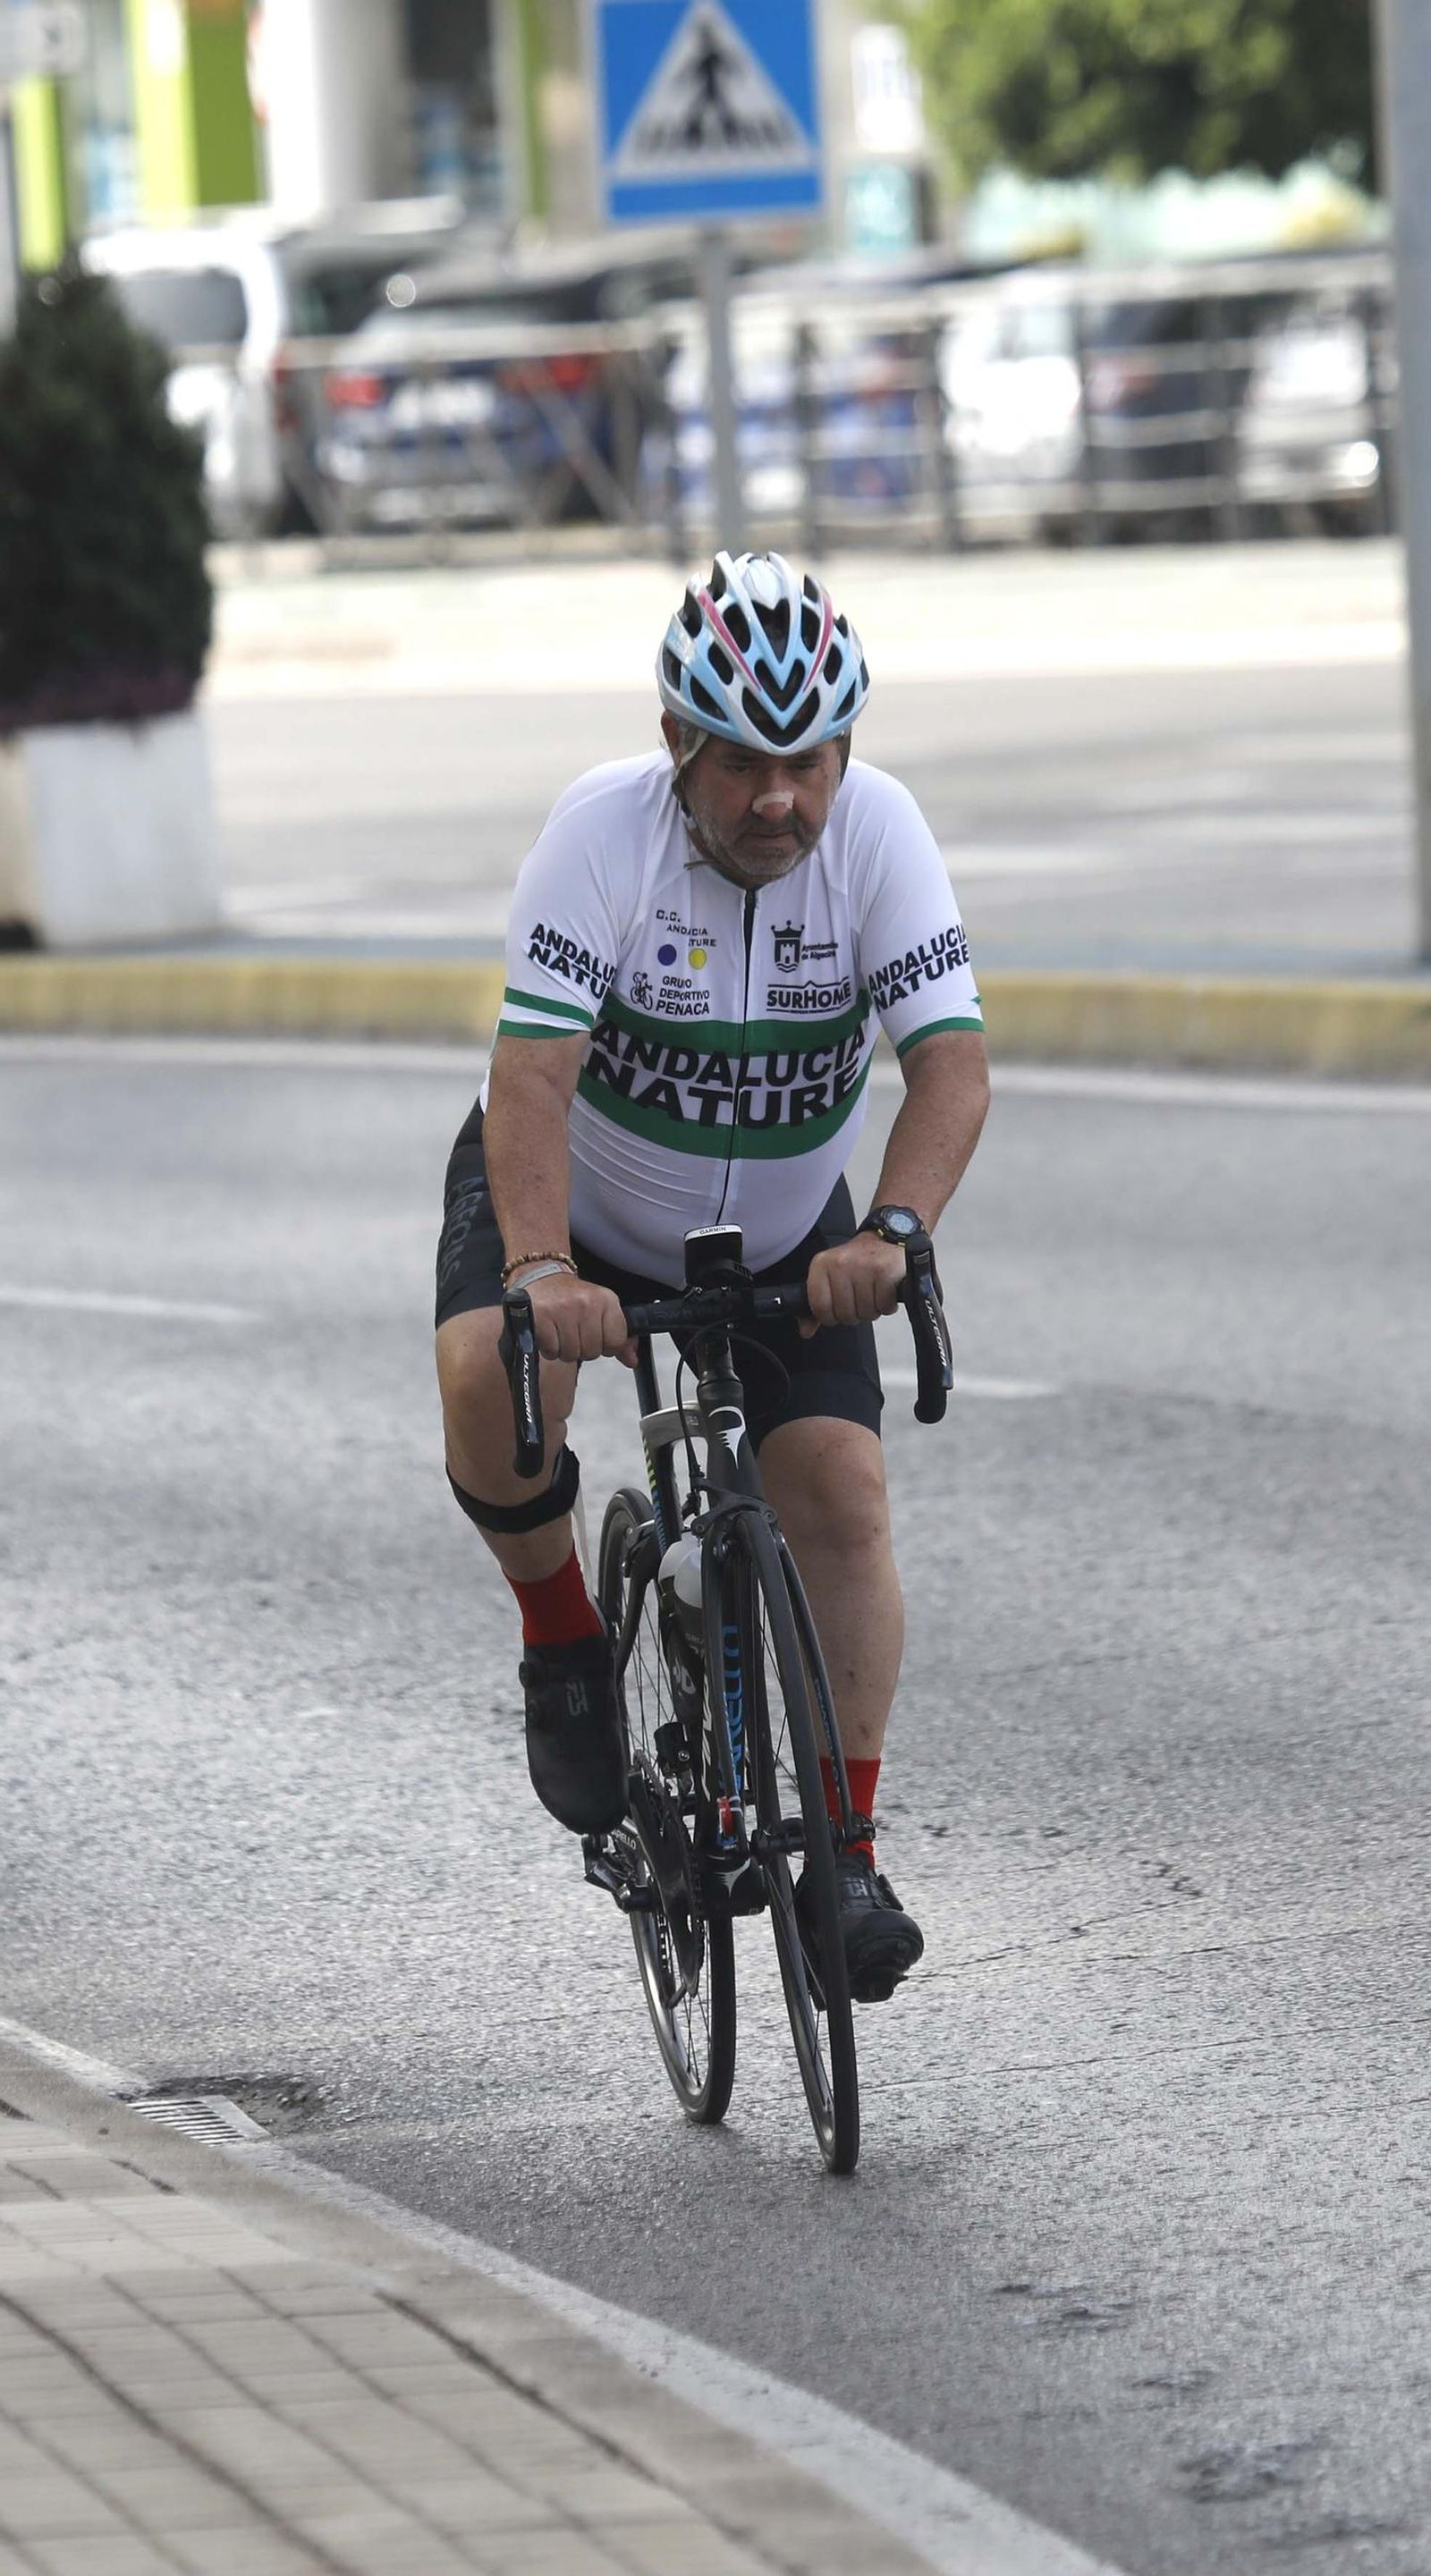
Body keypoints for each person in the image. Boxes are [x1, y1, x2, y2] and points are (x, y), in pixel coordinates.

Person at [435, 551, 989, 2004]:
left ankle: (847, 1857)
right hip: (581, 1194)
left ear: (845, 749)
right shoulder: (598, 837)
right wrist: (545, 1264)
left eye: (808, 760)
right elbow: (535, 1080)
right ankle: (564, 1645)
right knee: (489, 1384)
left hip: (791, 1218)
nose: (778, 800)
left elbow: (950, 1066)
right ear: (679, 742)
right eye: (743, 761)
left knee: (844, 1499)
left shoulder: (880, 834)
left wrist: (898, 1233)